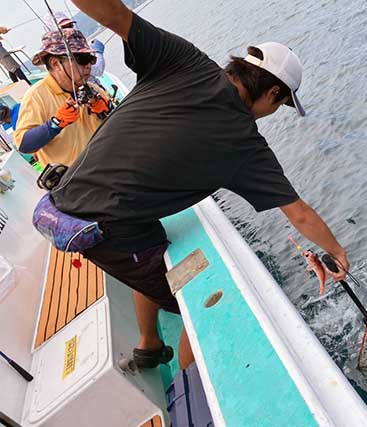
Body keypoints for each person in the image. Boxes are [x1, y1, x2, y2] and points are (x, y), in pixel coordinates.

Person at [50, 0, 350, 371]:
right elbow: (299, 213)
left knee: (151, 247)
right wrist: (337, 253)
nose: (276, 111)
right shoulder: (246, 144)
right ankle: (190, 387)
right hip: (100, 228)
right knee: (198, 289)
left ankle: (149, 345)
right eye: (282, 104)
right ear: (273, 93)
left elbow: (111, 12)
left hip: (62, 198)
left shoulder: (184, 59)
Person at [13, 28, 112, 166]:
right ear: (55, 63)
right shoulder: (36, 96)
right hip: (76, 183)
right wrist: (55, 123)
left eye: (90, 58)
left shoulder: (95, 90)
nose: (89, 65)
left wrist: (106, 112)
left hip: (109, 166)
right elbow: (24, 145)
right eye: (82, 59)